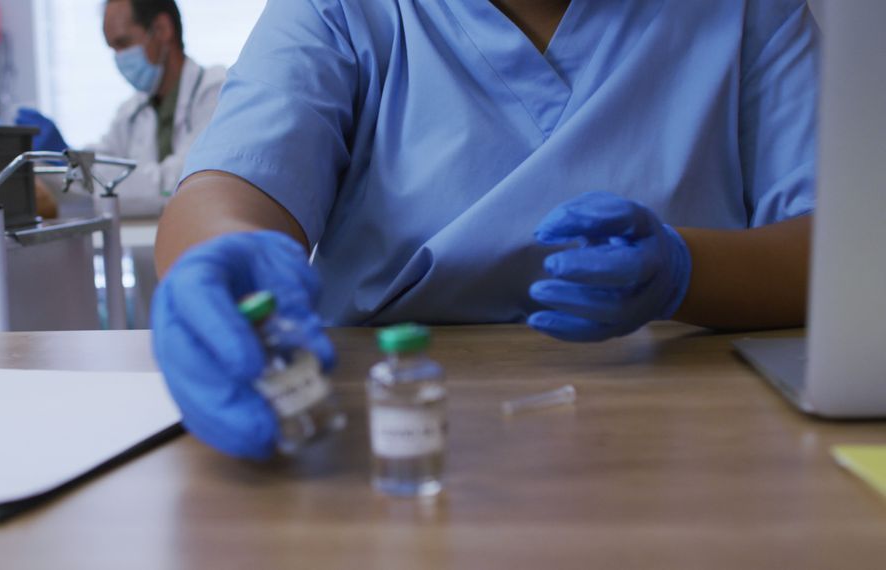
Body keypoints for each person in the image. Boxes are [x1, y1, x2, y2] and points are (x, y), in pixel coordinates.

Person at [151, 0, 818, 460]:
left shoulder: (746, 11)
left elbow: (841, 252)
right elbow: (230, 186)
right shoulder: (342, 11)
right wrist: (221, 262)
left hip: (697, 439)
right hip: (384, 430)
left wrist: (685, 269)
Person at [16, 0, 226, 218]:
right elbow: (102, 165)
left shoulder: (214, 92)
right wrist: (65, 159)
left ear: (162, 29)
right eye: (113, 48)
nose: (119, 58)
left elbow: (177, 181)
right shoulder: (131, 111)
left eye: (124, 43)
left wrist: (82, 170)